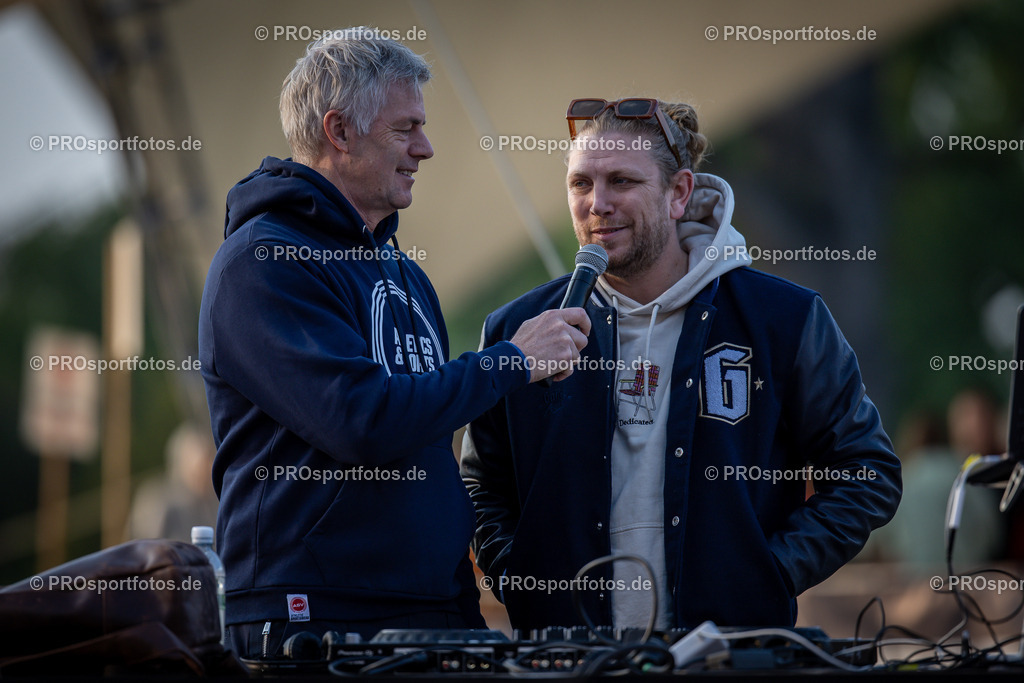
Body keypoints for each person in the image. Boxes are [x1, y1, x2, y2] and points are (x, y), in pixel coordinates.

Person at [198, 30, 588, 656]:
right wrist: (513, 360)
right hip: (317, 619)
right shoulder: (262, 263)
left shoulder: (404, 273)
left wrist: (461, 598)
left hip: (435, 607)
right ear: (340, 131)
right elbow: (361, 418)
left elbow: (428, 438)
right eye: (406, 129)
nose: (426, 149)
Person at [461, 97, 903, 631]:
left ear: (679, 193)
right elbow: (480, 488)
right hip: (567, 657)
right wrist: (520, 577)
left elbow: (867, 473)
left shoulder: (782, 319)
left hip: (727, 656)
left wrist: (770, 571)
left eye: (622, 181)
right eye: (581, 183)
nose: (597, 203)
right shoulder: (518, 330)